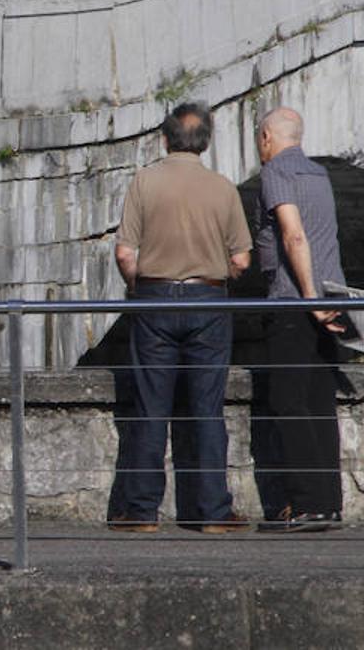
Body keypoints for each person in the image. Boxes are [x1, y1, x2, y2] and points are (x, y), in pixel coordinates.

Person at [107, 101, 252, 533]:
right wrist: (215, 273)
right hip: (208, 301)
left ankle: (141, 510)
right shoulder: (224, 188)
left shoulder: (144, 182)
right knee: (208, 409)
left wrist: (140, 284)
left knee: (151, 406)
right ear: (205, 140)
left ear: (165, 137)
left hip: (154, 300)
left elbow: (124, 252)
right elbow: (241, 259)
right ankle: (212, 512)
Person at [252, 107, 347, 532]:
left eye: (260, 138)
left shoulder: (277, 174)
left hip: (295, 303)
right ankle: (329, 503)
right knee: (319, 404)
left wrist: (308, 298)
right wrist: (325, 301)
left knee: (289, 402)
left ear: (269, 136)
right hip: (330, 302)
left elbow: (293, 234)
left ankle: (306, 505)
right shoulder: (319, 175)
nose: (259, 147)